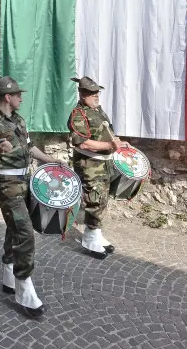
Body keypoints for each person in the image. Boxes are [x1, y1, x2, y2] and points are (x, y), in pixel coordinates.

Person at [0, 76, 56, 318]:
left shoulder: (19, 120)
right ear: (8, 97)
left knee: (14, 227)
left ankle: (9, 273)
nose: (21, 97)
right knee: (24, 232)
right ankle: (24, 286)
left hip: (24, 180)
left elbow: (30, 147)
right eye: (18, 94)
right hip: (7, 183)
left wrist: (50, 160)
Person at [67, 76, 123, 260]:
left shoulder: (97, 111)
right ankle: (90, 236)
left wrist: (119, 143)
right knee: (94, 199)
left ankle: (96, 233)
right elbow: (81, 143)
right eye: (93, 93)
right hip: (90, 165)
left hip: (104, 163)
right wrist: (108, 146)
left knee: (102, 199)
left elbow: (107, 133)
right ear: (83, 95)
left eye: (97, 92)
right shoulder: (78, 115)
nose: (97, 95)